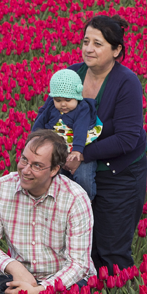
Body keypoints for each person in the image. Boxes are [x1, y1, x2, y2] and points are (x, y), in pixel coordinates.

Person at [0, 130, 97, 294]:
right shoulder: (1, 188)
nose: (25, 170)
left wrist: (40, 291)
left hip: (64, 282)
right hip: (19, 277)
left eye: (36, 165)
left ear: (54, 170)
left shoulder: (75, 198)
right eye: (24, 160)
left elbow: (79, 265)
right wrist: (14, 266)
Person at [67, 15, 147, 278]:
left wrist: (80, 154)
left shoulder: (127, 83)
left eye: (98, 44)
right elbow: (52, 113)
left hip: (119, 174)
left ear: (116, 50)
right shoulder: (72, 75)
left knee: (111, 248)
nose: (88, 48)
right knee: (81, 244)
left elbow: (127, 138)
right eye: (85, 41)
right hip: (76, 171)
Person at [32, 68, 100, 199]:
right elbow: (40, 124)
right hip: (58, 149)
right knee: (54, 176)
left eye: (68, 100)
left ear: (77, 97)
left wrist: (77, 150)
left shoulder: (82, 109)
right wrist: (34, 140)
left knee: (83, 177)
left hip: (80, 147)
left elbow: (81, 130)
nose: (63, 104)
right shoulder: (52, 107)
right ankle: (58, 202)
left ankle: (85, 202)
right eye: (58, 100)